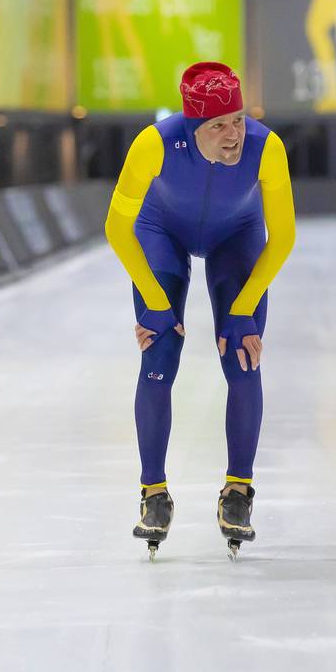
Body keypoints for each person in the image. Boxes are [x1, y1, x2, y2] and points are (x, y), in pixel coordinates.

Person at [104, 62, 296, 558]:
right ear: (192, 126)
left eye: (237, 119)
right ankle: (153, 494)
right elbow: (116, 229)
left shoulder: (265, 146)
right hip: (161, 232)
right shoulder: (153, 144)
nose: (233, 135)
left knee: (243, 355)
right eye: (218, 126)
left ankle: (238, 490)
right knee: (159, 356)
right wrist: (155, 302)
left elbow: (285, 237)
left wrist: (244, 308)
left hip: (237, 235)